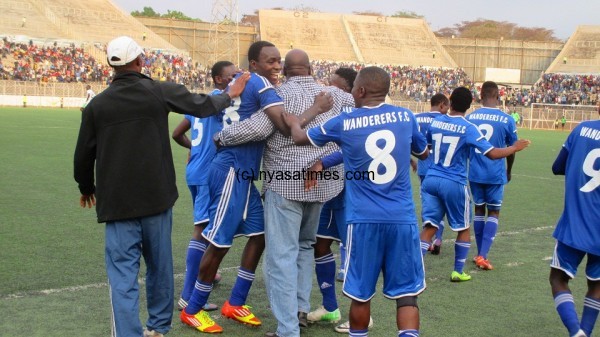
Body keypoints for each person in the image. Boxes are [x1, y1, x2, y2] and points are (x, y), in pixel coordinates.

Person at [73, 36, 248, 337]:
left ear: (111, 67)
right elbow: (203, 104)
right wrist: (229, 94)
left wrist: (86, 187)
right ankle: (157, 328)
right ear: (140, 62)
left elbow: (83, 155)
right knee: (159, 267)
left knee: (123, 276)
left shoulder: (96, 106)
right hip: (157, 199)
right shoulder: (158, 91)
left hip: (117, 205)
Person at [180, 42, 332, 334]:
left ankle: (235, 302)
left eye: (279, 62)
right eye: (271, 61)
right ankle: (193, 308)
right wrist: (316, 107)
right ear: (254, 64)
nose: (276, 67)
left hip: (245, 172)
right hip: (231, 171)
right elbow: (285, 127)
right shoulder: (260, 84)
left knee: (260, 235)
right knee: (219, 243)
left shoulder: (251, 81)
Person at [215, 48, 350, 337]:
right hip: (323, 183)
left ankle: (288, 328)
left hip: (285, 184)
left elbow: (258, 128)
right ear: (311, 68)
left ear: (286, 70)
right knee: (304, 246)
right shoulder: (337, 95)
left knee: (281, 257)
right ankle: (299, 310)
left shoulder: (278, 94)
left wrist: (222, 136)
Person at [287, 66, 430, 337]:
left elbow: (298, 137)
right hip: (401, 219)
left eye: (353, 88)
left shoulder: (345, 121)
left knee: (361, 295)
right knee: (408, 296)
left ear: (362, 90)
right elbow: (422, 153)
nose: (350, 92)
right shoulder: (405, 116)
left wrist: (294, 120)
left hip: (362, 220)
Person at [419, 87, 530, 282]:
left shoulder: (436, 122)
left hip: (431, 179)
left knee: (430, 226)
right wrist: (514, 147)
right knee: (463, 228)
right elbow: (492, 153)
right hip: (453, 181)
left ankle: (415, 270)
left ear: (450, 101)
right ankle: (457, 271)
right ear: (469, 105)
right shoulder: (468, 127)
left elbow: (426, 148)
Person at [171, 60, 237, 312]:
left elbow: (177, 134)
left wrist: (193, 148)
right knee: (201, 230)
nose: (236, 80)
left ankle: (210, 271)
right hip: (209, 173)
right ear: (219, 80)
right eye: (231, 76)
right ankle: (188, 296)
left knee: (209, 225)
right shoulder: (223, 101)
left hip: (195, 171)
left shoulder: (203, 102)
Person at [548, 106, 600, 337]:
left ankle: (575, 332)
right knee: (597, 285)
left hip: (575, 223)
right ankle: (585, 333)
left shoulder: (581, 129)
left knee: (558, 278)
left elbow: (557, 167)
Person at [466, 81, 519, 270]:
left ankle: (479, 254)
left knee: (479, 210)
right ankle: (482, 255)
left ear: (481, 96)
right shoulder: (506, 119)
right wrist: (509, 169)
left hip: (475, 172)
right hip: (495, 173)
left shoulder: (471, 117)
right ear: (498, 96)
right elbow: (512, 149)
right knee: (494, 211)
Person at [328, 67, 357, 283]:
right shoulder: (352, 102)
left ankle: (346, 266)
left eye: (334, 82)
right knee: (340, 219)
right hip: (335, 167)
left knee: (345, 219)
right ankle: (344, 266)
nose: (330, 85)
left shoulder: (345, 100)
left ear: (347, 86)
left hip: (340, 167)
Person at [415, 93, 450, 255]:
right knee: (440, 204)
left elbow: (409, 142)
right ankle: (437, 239)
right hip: (440, 168)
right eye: (448, 106)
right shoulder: (445, 121)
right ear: (442, 104)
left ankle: (427, 239)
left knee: (427, 205)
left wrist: (410, 161)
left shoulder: (417, 118)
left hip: (423, 167)